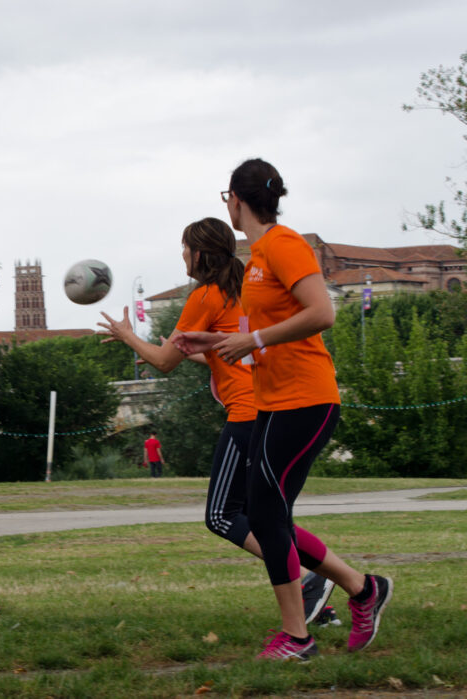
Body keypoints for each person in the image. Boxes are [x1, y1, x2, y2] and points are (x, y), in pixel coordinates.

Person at [173, 159, 393, 660]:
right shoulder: (256, 257)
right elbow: (268, 334)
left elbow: (322, 313)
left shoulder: (283, 244)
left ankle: (300, 635)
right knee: (266, 514)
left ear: (236, 198)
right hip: (274, 400)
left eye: (226, 196)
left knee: (267, 515)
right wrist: (218, 340)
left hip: (305, 399)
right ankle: (360, 591)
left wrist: (249, 337)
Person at [99, 217, 334, 626]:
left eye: (185, 248)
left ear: (200, 253)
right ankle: (340, 591)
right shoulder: (245, 289)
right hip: (266, 407)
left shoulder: (206, 295)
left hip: (245, 414)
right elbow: (226, 349)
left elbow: (164, 363)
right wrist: (185, 350)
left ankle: (313, 584)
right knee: (273, 520)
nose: (182, 256)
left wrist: (127, 336)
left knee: (223, 516)